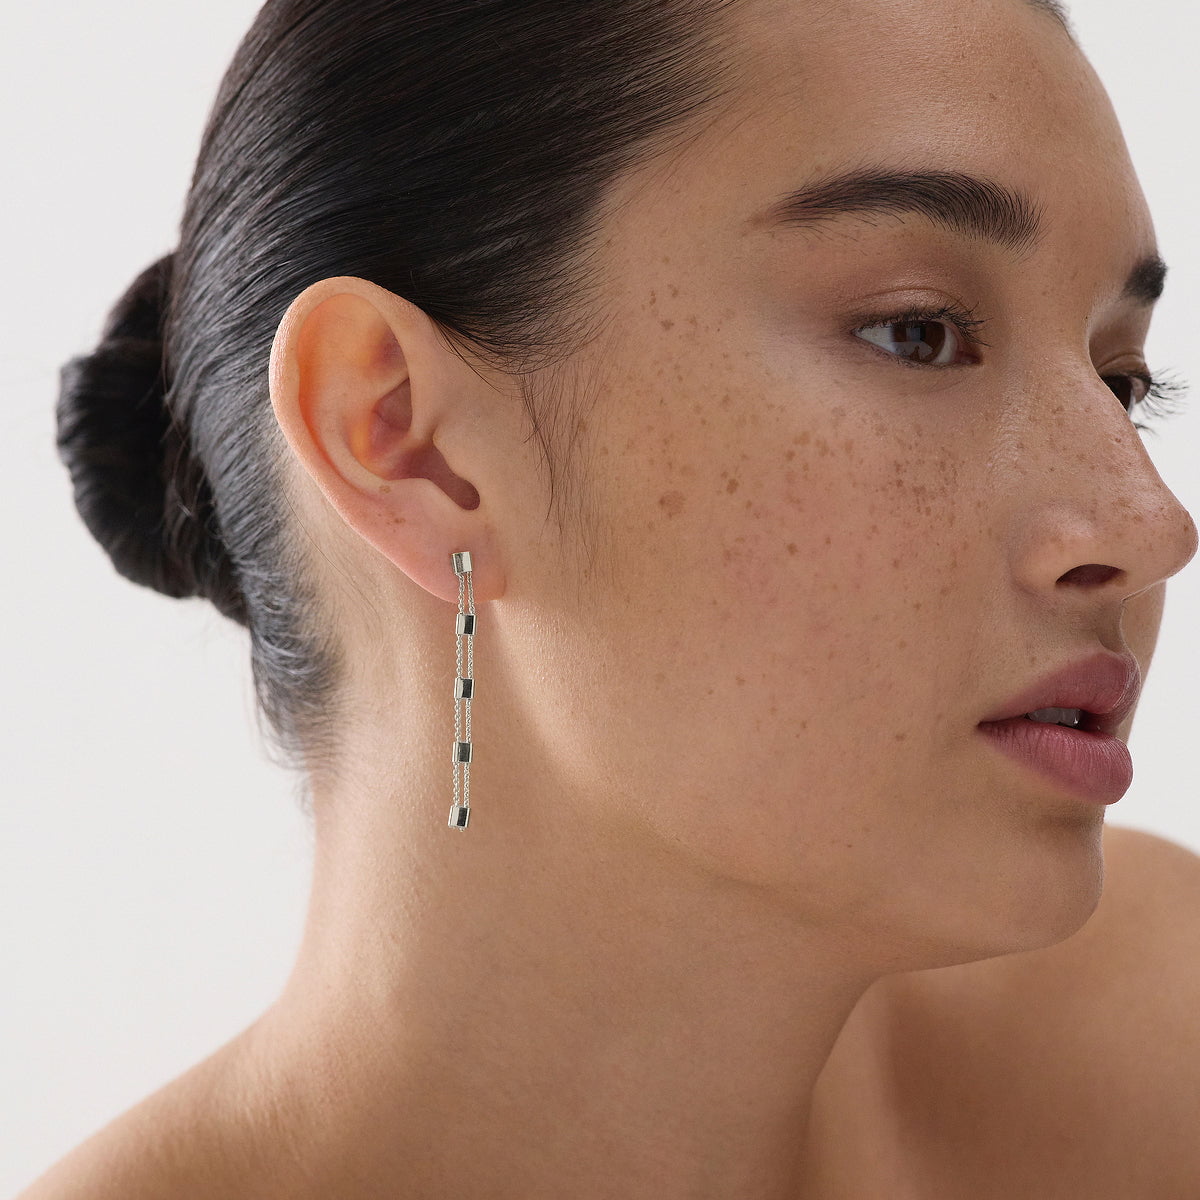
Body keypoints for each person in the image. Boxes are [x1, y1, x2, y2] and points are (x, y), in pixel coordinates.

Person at [30, 0, 1200, 1195]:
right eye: (918, 333)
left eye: (1120, 380)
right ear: (410, 442)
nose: (1150, 526)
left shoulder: (1154, 1048)